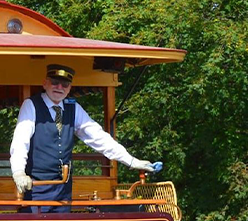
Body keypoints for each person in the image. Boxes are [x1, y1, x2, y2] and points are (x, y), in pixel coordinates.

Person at [10, 64, 162, 212]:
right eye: (55, 83)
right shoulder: (31, 105)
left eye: (65, 84)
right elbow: (20, 141)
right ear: (45, 83)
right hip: (36, 189)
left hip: (63, 190)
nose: (59, 88)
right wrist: (19, 172)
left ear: (70, 87)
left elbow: (98, 137)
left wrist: (132, 161)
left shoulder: (73, 107)